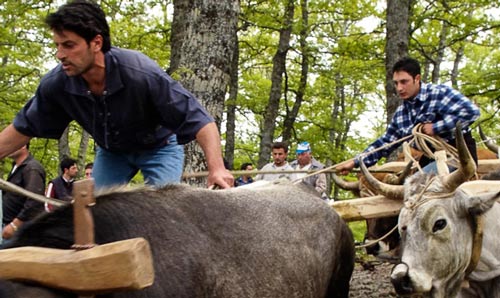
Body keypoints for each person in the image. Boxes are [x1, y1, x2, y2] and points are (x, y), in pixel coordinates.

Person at [0, 0, 232, 190]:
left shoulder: (141, 73)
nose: (60, 54)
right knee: (96, 216)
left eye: (69, 45)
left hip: (159, 148)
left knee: (166, 214)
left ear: (96, 42)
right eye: (58, 45)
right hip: (111, 153)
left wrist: (217, 168)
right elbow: (23, 127)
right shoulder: (57, 84)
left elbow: (200, 120)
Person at [337, 57, 480, 174]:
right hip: (431, 158)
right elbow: (385, 143)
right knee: (403, 187)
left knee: (415, 185)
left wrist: (436, 127)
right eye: (396, 83)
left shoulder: (439, 93)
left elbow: (472, 112)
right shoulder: (401, 114)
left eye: (404, 82)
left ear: (417, 79)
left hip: (459, 157)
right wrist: (355, 162)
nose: (399, 88)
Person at [2, 144, 46, 242]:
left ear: (23, 145)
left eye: (12, 143)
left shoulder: (32, 168)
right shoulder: (17, 167)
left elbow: (34, 201)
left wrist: (14, 225)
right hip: (9, 226)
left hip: (20, 231)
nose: (9, 146)